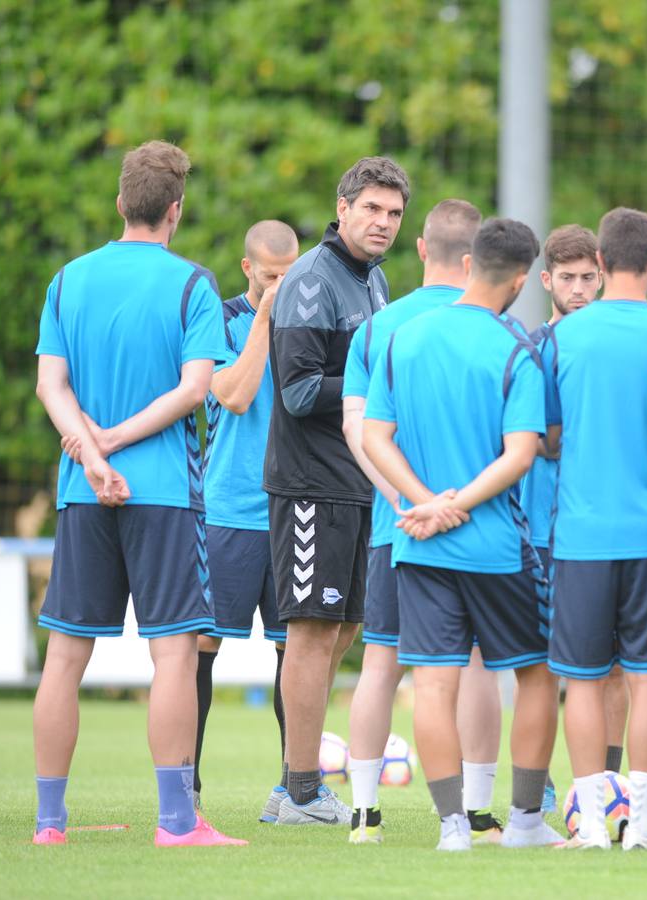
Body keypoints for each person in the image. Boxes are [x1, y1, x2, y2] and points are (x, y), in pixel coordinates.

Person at [33, 140, 243, 846]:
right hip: (164, 495)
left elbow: (50, 387)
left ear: (122, 203)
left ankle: (49, 823)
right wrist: (116, 444)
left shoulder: (68, 279)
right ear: (174, 212)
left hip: (82, 492)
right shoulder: (193, 285)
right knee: (175, 655)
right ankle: (176, 823)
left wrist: (90, 454)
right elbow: (194, 388)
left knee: (64, 656)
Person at [363, 217, 563, 852]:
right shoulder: (516, 349)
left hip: (418, 544)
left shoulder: (405, 337)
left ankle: (452, 828)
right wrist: (458, 505)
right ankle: (525, 823)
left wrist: (424, 505)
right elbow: (520, 454)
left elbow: (373, 437)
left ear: (470, 261)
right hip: (497, 546)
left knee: (433, 683)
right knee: (535, 675)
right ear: (524, 279)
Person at [339, 198, 510, 844]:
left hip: (398, 528)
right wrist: (452, 505)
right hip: (478, 527)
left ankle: (364, 813)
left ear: (420, 249)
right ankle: (480, 809)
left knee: (381, 664)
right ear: (476, 261)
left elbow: (358, 430)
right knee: (475, 666)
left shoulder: (379, 329)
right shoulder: (493, 326)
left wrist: (404, 503)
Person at [266, 156, 408, 825]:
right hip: (309, 486)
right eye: (372, 208)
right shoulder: (309, 280)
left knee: (346, 626)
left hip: (355, 485)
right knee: (314, 632)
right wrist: (378, 396)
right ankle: (296, 789)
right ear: (343, 206)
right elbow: (296, 392)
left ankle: (300, 775)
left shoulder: (375, 281)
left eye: (394, 213)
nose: (383, 222)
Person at [547, 208, 647, 850]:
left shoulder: (561, 339)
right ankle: (645, 824)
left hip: (580, 535)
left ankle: (594, 826)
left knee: (583, 679)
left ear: (599, 264)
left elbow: (543, 438)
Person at [195, 220, 299, 819]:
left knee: (298, 653)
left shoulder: (312, 316)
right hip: (229, 511)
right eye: (270, 278)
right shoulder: (221, 320)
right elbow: (233, 394)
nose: (282, 288)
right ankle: (189, 786)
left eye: (290, 277)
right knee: (203, 648)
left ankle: (297, 788)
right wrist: (265, 319)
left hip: (293, 510)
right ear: (247, 270)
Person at [521, 225, 630, 791]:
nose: (582, 289)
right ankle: (536, 788)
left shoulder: (622, 345)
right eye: (569, 278)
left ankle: (607, 785)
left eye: (591, 277)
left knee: (612, 667)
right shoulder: (531, 347)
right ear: (547, 281)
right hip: (540, 528)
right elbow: (533, 438)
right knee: (540, 666)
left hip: (603, 529)